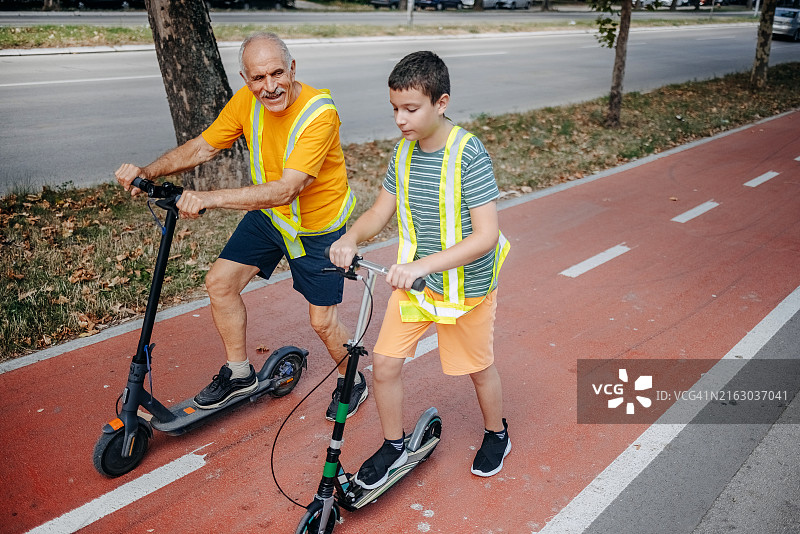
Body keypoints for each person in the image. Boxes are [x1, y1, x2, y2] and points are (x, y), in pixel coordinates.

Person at [114, 32, 368, 421]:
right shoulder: (246, 102)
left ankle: (353, 382)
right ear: (245, 78)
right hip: (272, 219)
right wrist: (148, 171)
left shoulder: (319, 114)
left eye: (277, 74)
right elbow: (203, 146)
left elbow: (286, 189)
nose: (269, 86)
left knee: (322, 321)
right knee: (220, 283)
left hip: (318, 229)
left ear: (293, 69)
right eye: (258, 78)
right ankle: (239, 373)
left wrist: (209, 198)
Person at [328, 51, 511, 486]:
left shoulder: (469, 153)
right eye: (394, 108)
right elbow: (380, 211)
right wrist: (351, 237)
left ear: (441, 102)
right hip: (416, 286)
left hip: (465, 287)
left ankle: (497, 433)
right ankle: (394, 444)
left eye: (410, 109)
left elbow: (485, 235)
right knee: (385, 365)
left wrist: (422, 264)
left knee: (478, 369)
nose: (400, 119)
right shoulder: (403, 152)